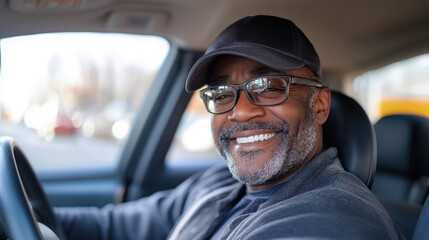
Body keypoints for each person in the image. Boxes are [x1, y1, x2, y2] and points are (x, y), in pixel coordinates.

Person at [55, 15, 405, 240]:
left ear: (319, 105)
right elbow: (113, 227)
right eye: (223, 94)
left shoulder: (332, 220)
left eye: (268, 87)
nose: (240, 112)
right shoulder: (219, 183)